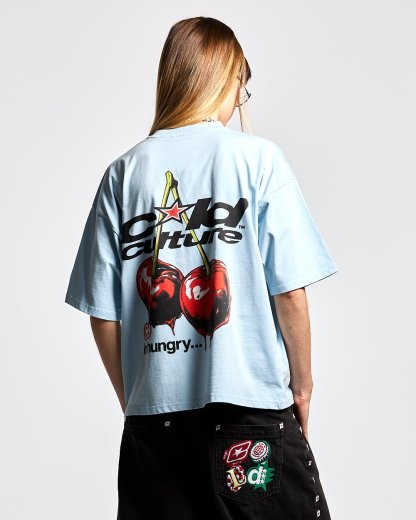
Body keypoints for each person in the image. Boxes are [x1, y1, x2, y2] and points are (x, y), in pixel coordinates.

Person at [64, 15, 338, 520]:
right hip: (249, 415)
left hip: (154, 432)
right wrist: (302, 388)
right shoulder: (258, 160)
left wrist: (138, 401)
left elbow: (102, 314)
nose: (240, 100)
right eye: (241, 86)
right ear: (226, 77)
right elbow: (289, 292)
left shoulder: (123, 174)